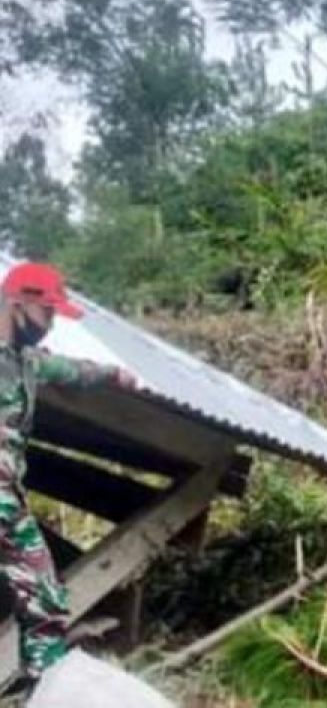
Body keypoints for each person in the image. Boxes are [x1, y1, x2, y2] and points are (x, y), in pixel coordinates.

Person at [0, 262, 135, 695]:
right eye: (47, 315)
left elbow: (70, 371)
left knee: (43, 603)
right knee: (43, 600)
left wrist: (114, 374)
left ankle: (41, 694)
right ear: (19, 305)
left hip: (6, 502)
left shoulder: (25, 361)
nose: (50, 325)